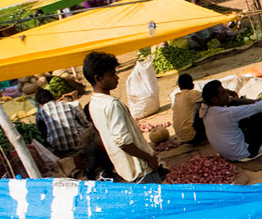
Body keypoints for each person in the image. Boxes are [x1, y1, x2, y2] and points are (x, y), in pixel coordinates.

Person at [82, 51, 162, 183]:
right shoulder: (111, 105)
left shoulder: (94, 104)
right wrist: (148, 158)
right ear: (98, 78)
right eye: (112, 74)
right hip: (140, 169)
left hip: (125, 168)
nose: (117, 77)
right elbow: (123, 142)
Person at [201, 80, 262, 162]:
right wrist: (240, 100)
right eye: (223, 93)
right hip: (245, 153)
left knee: (243, 118)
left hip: (227, 154)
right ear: (214, 100)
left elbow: (230, 105)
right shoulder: (228, 113)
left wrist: (232, 100)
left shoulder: (205, 109)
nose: (227, 95)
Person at [34, 89, 92, 158]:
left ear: (39, 103)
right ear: (53, 97)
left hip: (58, 149)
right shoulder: (68, 106)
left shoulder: (40, 113)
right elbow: (85, 124)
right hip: (78, 144)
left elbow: (41, 132)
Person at [171, 74, 205, 145]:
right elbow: (210, 95)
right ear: (192, 85)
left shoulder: (177, 97)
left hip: (181, 136)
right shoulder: (192, 94)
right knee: (206, 106)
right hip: (193, 136)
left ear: (179, 87)